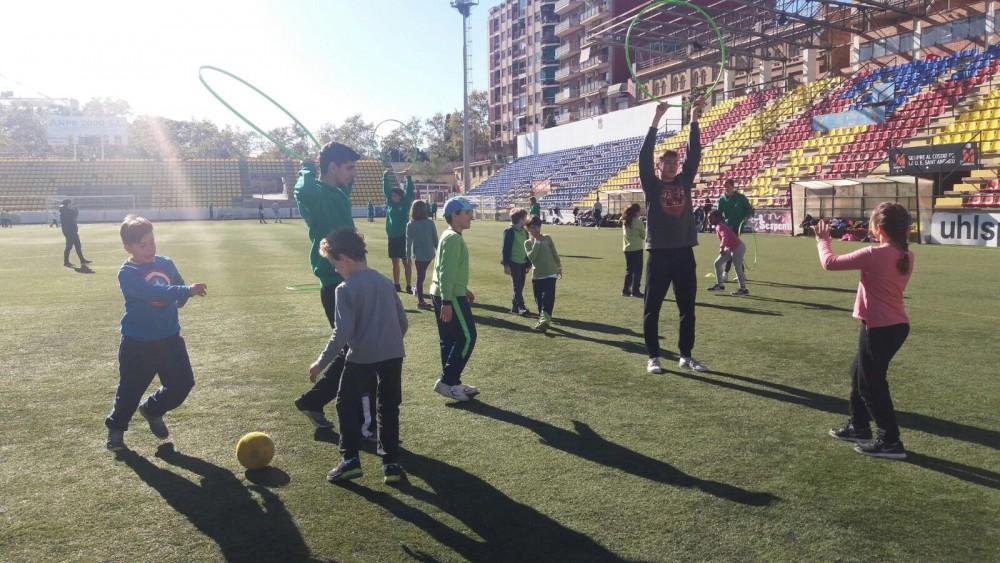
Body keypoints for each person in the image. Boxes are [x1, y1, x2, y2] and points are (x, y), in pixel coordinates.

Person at [816, 202, 914, 460]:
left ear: (879, 228)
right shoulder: (906, 254)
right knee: (859, 373)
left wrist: (823, 241)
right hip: (894, 326)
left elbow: (829, 263)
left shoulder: (875, 254)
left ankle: (890, 441)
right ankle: (858, 426)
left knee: (871, 384)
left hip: (879, 327)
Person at [311, 228, 409, 484]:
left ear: (343, 258)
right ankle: (391, 464)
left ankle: (351, 461)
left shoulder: (345, 289)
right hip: (393, 354)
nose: (335, 269)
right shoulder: (385, 282)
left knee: (344, 402)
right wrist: (389, 342)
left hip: (361, 356)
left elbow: (341, 333)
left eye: (334, 263)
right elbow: (403, 322)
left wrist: (320, 363)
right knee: (388, 407)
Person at [104, 215, 208, 451]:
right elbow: (150, 292)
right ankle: (116, 429)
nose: (149, 248)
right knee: (130, 390)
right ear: (128, 248)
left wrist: (184, 296)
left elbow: (178, 286)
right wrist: (184, 291)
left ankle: (152, 408)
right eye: (142, 245)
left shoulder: (166, 263)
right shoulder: (127, 272)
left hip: (170, 338)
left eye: (152, 242)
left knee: (183, 383)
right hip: (137, 343)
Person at [292, 142, 370, 431]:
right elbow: (303, 190)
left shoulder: (338, 191)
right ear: (333, 167)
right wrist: (307, 168)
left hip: (352, 278)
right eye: (349, 168)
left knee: (356, 348)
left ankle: (316, 402)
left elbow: (341, 182)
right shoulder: (315, 194)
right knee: (356, 350)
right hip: (335, 282)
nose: (354, 174)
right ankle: (355, 417)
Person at [638, 98, 708, 375]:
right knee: (652, 307)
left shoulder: (683, 180)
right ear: (658, 166)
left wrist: (694, 118)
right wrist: (656, 120)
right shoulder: (652, 185)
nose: (671, 165)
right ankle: (653, 357)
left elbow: (694, 154)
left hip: (684, 252)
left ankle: (686, 355)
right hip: (659, 254)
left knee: (687, 308)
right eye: (666, 162)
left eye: (674, 162)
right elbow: (644, 156)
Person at [429, 197, 480, 402]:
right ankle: (447, 380)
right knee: (467, 337)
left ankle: (452, 382)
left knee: (449, 340)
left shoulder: (449, 235)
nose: (470, 217)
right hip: (449, 295)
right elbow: (446, 272)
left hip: (445, 292)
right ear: (455, 215)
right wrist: (447, 302)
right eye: (467, 213)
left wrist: (463, 289)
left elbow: (447, 269)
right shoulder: (453, 239)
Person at [524, 215, 562, 332]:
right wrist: (537, 242)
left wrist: (559, 267)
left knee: (547, 298)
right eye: (533, 227)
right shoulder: (527, 243)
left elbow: (554, 253)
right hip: (537, 275)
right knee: (539, 300)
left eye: (538, 227)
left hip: (550, 273)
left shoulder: (547, 238)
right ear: (528, 229)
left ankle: (544, 322)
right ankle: (543, 319)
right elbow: (532, 257)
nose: (537, 230)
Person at [383, 170, 414, 293]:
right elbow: (386, 190)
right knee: (395, 263)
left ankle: (408, 285)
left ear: (400, 196)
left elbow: (409, 191)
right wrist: (385, 176)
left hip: (403, 237)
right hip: (392, 237)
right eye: (392, 196)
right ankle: (396, 285)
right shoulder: (390, 204)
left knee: (406, 262)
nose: (392, 197)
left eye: (395, 196)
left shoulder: (405, 203)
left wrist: (409, 178)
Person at [716, 179, 753, 281]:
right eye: (725, 187)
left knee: (732, 248)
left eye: (728, 187)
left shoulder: (740, 197)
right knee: (733, 249)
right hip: (727, 227)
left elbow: (749, 208)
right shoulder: (722, 199)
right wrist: (721, 225)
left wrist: (746, 217)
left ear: (733, 187)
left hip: (738, 225)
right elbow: (718, 214)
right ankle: (740, 274)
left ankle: (726, 272)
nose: (726, 189)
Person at [706, 210, 749, 296]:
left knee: (737, 268)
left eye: (711, 218)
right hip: (730, 248)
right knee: (717, 263)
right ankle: (720, 285)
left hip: (737, 248)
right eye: (708, 218)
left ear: (717, 218)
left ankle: (743, 289)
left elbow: (725, 236)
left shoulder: (720, 226)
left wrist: (722, 247)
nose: (709, 220)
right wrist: (725, 248)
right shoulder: (719, 225)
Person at [405, 200, 438, 311]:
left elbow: (408, 242)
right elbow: (435, 239)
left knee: (420, 276)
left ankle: (420, 300)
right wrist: (439, 251)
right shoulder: (430, 223)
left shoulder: (410, 225)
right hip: (429, 254)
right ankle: (418, 295)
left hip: (419, 255)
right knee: (421, 276)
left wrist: (408, 256)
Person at [501, 208, 532, 316]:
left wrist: (528, 263)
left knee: (520, 285)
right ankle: (521, 307)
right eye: (525, 217)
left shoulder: (525, 232)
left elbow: (528, 248)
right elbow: (505, 249)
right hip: (514, 262)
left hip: (523, 262)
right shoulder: (509, 231)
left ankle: (515, 306)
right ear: (520, 219)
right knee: (517, 286)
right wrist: (506, 265)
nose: (527, 219)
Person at [622, 203, 646, 297]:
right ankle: (635, 290)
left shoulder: (625, 222)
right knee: (637, 270)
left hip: (627, 249)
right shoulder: (638, 223)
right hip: (637, 248)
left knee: (629, 270)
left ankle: (625, 289)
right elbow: (644, 236)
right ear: (636, 212)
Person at [59, 199, 91, 267]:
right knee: (69, 247)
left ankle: (82, 260)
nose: (71, 205)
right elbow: (75, 214)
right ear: (68, 204)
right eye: (70, 203)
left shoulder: (65, 211)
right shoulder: (66, 211)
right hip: (70, 232)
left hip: (71, 231)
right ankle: (66, 262)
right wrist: (75, 209)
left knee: (77, 246)